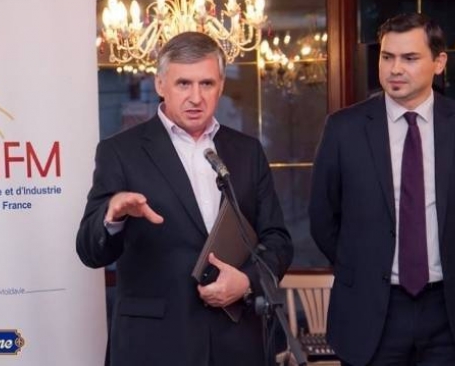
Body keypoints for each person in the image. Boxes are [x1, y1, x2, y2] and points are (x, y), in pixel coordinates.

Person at [77, 32, 293, 366]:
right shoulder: (120, 152)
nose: (196, 97)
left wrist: (246, 280)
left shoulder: (247, 151)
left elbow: (277, 240)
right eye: (183, 84)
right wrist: (113, 216)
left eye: (206, 84)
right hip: (154, 345)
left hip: (236, 343)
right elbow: (90, 252)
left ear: (221, 85)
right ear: (160, 84)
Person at [309, 12, 455, 366]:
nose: (395, 69)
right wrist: (360, 266)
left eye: (410, 58)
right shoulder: (343, 129)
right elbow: (323, 218)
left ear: (439, 63)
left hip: (453, 313)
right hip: (371, 312)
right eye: (387, 57)